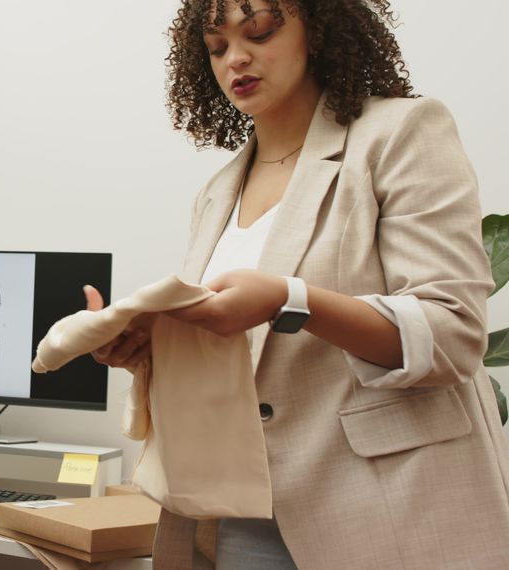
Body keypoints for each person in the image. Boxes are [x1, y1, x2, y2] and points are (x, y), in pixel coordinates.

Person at [87, 1, 509, 568]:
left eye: (259, 31)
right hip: (233, 515)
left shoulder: (401, 133)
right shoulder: (218, 191)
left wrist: (291, 300)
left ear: (321, 28)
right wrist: (145, 348)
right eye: (216, 47)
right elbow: (243, 357)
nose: (236, 57)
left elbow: (452, 330)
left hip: (379, 508)